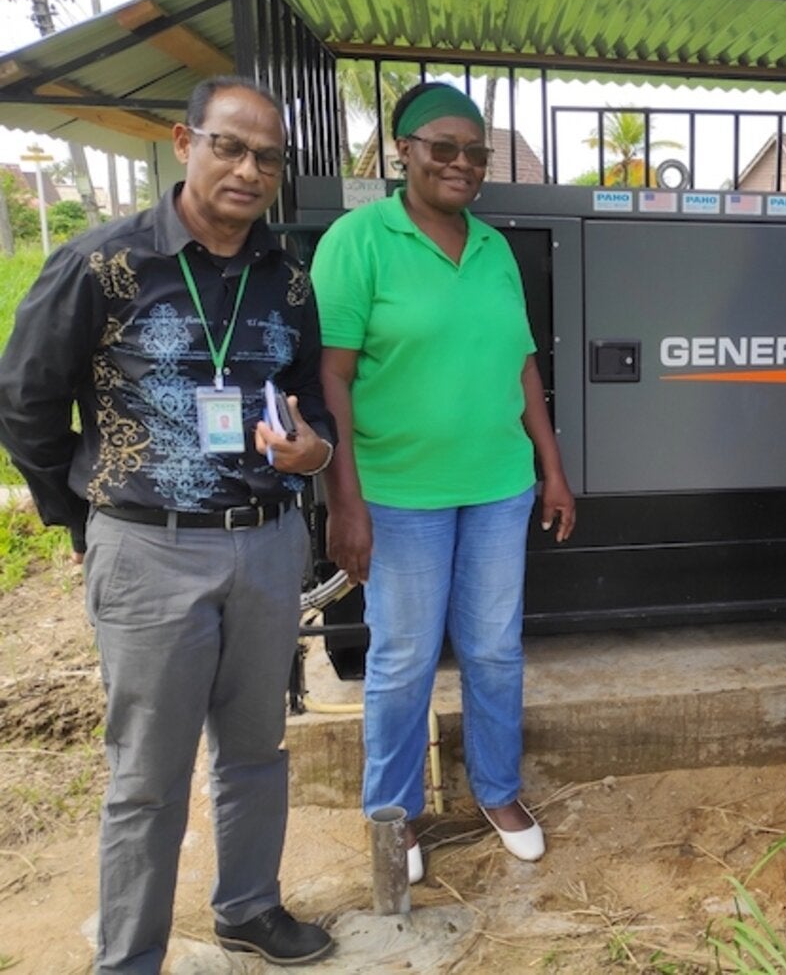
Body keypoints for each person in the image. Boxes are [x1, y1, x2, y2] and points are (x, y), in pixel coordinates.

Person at [0, 76, 336, 972]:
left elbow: (310, 400)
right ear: (185, 143)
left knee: (256, 748)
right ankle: (131, 956)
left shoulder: (289, 278)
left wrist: (316, 454)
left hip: (266, 543)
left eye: (267, 156)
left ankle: (250, 908)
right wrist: (85, 514)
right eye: (229, 145)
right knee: (147, 778)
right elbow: (26, 400)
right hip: (148, 548)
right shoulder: (103, 263)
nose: (248, 169)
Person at [312, 82, 575, 885]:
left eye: (475, 152)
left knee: (495, 649)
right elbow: (333, 377)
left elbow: (522, 365)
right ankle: (394, 813)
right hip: (398, 493)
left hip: (498, 486)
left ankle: (498, 792)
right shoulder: (358, 241)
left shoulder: (493, 249)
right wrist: (343, 499)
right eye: (443, 148)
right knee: (402, 660)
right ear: (405, 152)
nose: (461, 164)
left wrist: (551, 470)